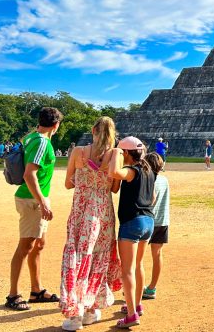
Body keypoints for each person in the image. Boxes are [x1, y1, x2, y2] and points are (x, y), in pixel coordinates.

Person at [59, 117, 123, 331]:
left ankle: (75, 314)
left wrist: (83, 180)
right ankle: (89, 309)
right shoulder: (115, 154)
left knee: (78, 257)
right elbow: (114, 188)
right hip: (103, 213)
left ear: (93, 130)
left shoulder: (78, 152)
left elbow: (68, 183)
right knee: (97, 258)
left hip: (80, 211)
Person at [6, 107, 63, 311]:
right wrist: (42, 201)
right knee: (25, 247)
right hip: (32, 199)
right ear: (56, 125)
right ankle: (13, 294)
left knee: (38, 245)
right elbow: (30, 174)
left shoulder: (30, 136)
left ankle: (36, 290)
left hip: (33, 198)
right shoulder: (42, 142)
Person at [109, 136, 155, 329]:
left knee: (127, 270)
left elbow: (114, 172)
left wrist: (115, 154)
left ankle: (131, 315)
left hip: (132, 222)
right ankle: (136, 304)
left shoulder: (132, 171)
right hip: (148, 221)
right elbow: (152, 198)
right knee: (138, 265)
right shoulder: (149, 171)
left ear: (126, 153)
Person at [141, 152, 169, 300]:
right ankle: (152, 287)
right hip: (162, 221)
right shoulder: (164, 180)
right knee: (157, 255)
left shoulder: (149, 180)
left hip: (148, 220)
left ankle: (137, 286)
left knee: (137, 258)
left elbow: (150, 200)